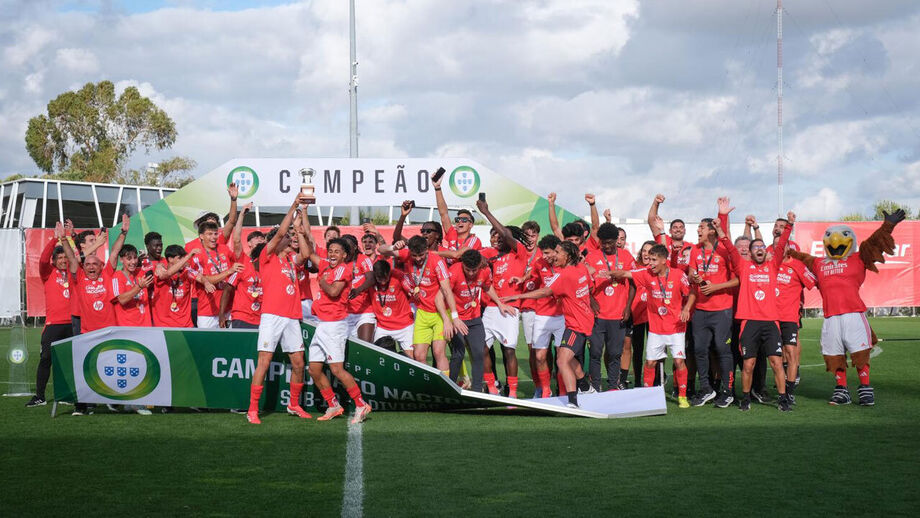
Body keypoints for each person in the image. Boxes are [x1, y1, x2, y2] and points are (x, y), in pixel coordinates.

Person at [786, 209, 907, 406]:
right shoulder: (818, 263)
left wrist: (889, 225)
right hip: (831, 317)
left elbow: (876, 242)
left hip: (854, 315)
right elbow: (800, 257)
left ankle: (865, 389)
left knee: (859, 354)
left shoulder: (858, 258)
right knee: (834, 355)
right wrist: (787, 250)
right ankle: (841, 391)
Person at [715, 208, 794, 412]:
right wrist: (721, 225)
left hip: (770, 322)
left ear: (766, 252)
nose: (759, 249)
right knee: (748, 364)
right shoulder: (743, 267)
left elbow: (782, 243)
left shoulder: (772, 265)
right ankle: (746, 397)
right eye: (755, 247)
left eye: (761, 246)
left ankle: (784, 398)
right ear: (750, 253)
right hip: (749, 322)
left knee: (776, 362)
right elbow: (729, 247)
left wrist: (790, 225)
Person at [301, 208, 373, 423]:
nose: (332, 254)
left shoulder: (344, 270)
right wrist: (299, 232)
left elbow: (333, 291)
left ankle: (361, 404)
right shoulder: (325, 265)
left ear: (344, 255)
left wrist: (322, 281)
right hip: (322, 324)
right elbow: (307, 253)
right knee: (313, 368)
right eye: (330, 250)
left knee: (337, 369)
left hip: (335, 325)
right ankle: (333, 405)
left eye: (336, 252)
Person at [246, 195, 312, 424]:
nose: (288, 239)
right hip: (272, 315)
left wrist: (300, 231)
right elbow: (281, 233)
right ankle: (252, 409)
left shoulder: (290, 260)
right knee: (264, 360)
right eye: (286, 237)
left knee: (299, 363)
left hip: (292, 316)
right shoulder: (268, 256)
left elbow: (305, 255)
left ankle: (293, 404)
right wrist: (294, 207)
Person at [505, 241, 596, 408]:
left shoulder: (566, 274)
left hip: (578, 325)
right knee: (568, 356)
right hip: (579, 321)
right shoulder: (581, 268)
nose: (555, 255)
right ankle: (584, 385)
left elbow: (545, 292)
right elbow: (589, 285)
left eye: (558, 252)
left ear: (568, 256)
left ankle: (573, 401)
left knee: (562, 361)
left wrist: (518, 297)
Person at [59, 215, 129, 415]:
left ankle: (113, 400)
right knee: (85, 368)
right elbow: (73, 260)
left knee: (112, 366)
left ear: (101, 266)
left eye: (94, 264)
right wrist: (64, 238)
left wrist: (123, 232)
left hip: (109, 331)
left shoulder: (107, 274)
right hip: (87, 331)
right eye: (88, 264)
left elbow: (114, 252)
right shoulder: (79, 278)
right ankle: (82, 405)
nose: (90, 267)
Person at [610, 243, 694, 409]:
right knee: (649, 363)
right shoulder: (646, 273)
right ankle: (647, 396)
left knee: (678, 361)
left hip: (676, 328)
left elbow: (691, 293)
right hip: (656, 329)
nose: (651, 264)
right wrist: (607, 273)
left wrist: (686, 309)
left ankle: (682, 396)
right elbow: (626, 273)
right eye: (650, 260)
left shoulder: (678, 275)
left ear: (664, 260)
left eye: (654, 260)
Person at [380, 235, 466, 372]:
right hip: (422, 312)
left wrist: (454, 318)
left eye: (421, 255)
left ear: (427, 250)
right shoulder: (406, 254)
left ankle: (443, 389)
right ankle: (428, 386)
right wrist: (392, 247)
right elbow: (381, 250)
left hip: (440, 313)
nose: (418, 259)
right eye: (414, 255)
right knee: (419, 355)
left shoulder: (437, 262)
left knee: (438, 352)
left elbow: (447, 290)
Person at [685, 198, 739, 408]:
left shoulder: (725, 250)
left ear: (712, 231)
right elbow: (690, 273)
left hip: (722, 309)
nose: (698, 229)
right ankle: (706, 389)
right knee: (699, 349)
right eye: (698, 226)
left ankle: (727, 391)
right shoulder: (696, 250)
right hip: (700, 309)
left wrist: (715, 287)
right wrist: (695, 277)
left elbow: (737, 279)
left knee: (721, 349)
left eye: (702, 227)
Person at [438, 249, 512, 392]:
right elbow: (439, 298)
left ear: (479, 265)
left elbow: (487, 286)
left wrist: (499, 303)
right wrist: (451, 319)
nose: (471, 273)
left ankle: (477, 391)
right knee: (458, 353)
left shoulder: (484, 271)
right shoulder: (453, 271)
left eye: (474, 270)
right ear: (462, 264)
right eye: (468, 270)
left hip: (474, 319)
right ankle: (450, 389)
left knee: (479, 353)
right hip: (457, 320)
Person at [477, 198, 528, 398]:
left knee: (509, 350)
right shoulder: (492, 254)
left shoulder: (519, 253)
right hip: (491, 307)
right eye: (495, 236)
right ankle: (492, 388)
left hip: (510, 308)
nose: (498, 238)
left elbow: (506, 233)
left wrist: (487, 213)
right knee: (481, 348)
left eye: (501, 236)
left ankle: (513, 393)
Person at [26, 222, 76, 408]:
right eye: (59, 257)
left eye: (65, 257)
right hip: (54, 324)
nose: (63, 260)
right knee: (46, 359)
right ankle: (40, 396)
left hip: (72, 323)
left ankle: (67, 395)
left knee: (70, 361)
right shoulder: (48, 273)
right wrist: (56, 237)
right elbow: (42, 260)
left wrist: (68, 238)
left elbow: (77, 257)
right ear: (54, 261)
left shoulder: (73, 273)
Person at [585, 222, 636, 392]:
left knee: (615, 353)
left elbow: (634, 283)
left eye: (610, 242)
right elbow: (582, 282)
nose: (606, 246)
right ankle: (595, 385)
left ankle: (613, 386)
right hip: (598, 315)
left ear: (616, 241)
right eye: (603, 242)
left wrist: (628, 307)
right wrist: (591, 299)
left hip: (618, 314)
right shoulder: (592, 257)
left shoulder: (626, 256)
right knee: (595, 353)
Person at [523, 235, 566, 397]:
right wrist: (522, 278)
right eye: (543, 253)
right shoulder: (539, 263)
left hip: (562, 317)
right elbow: (531, 274)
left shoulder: (565, 264)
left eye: (548, 253)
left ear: (556, 251)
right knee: (540, 357)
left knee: (562, 359)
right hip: (541, 315)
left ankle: (563, 392)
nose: (545, 256)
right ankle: (545, 391)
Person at [190, 221, 243, 328]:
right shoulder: (197, 255)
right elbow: (205, 279)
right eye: (209, 234)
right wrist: (228, 271)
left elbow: (239, 260)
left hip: (228, 309)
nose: (214, 237)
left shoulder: (224, 248)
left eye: (215, 234)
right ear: (201, 236)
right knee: (206, 344)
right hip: (208, 312)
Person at [622, 240, 656, 387]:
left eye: (650, 251)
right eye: (644, 250)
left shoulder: (657, 269)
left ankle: (656, 381)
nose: (646, 254)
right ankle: (637, 382)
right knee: (637, 349)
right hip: (636, 313)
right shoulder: (634, 267)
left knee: (655, 350)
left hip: (654, 315)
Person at [366, 258, 415, 354]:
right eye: (380, 279)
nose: (383, 282)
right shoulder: (370, 281)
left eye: (386, 278)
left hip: (404, 325)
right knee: (378, 356)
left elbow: (411, 291)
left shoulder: (398, 276)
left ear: (389, 273)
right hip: (383, 327)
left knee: (411, 360)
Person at [151, 245, 201, 328]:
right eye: (180, 258)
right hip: (164, 326)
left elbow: (200, 277)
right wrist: (188, 256)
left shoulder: (186, 273)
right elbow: (167, 274)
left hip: (186, 325)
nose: (183, 261)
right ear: (170, 259)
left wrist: (206, 282)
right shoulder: (160, 271)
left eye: (183, 258)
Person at [111, 244, 154, 327]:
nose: (133, 262)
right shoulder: (117, 277)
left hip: (146, 326)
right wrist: (139, 287)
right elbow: (121, 299)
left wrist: (146, 260)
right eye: (129, 259)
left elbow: (154, 274)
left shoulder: (141, 271)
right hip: (128, 328)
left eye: (135, 257)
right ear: (121, 260)